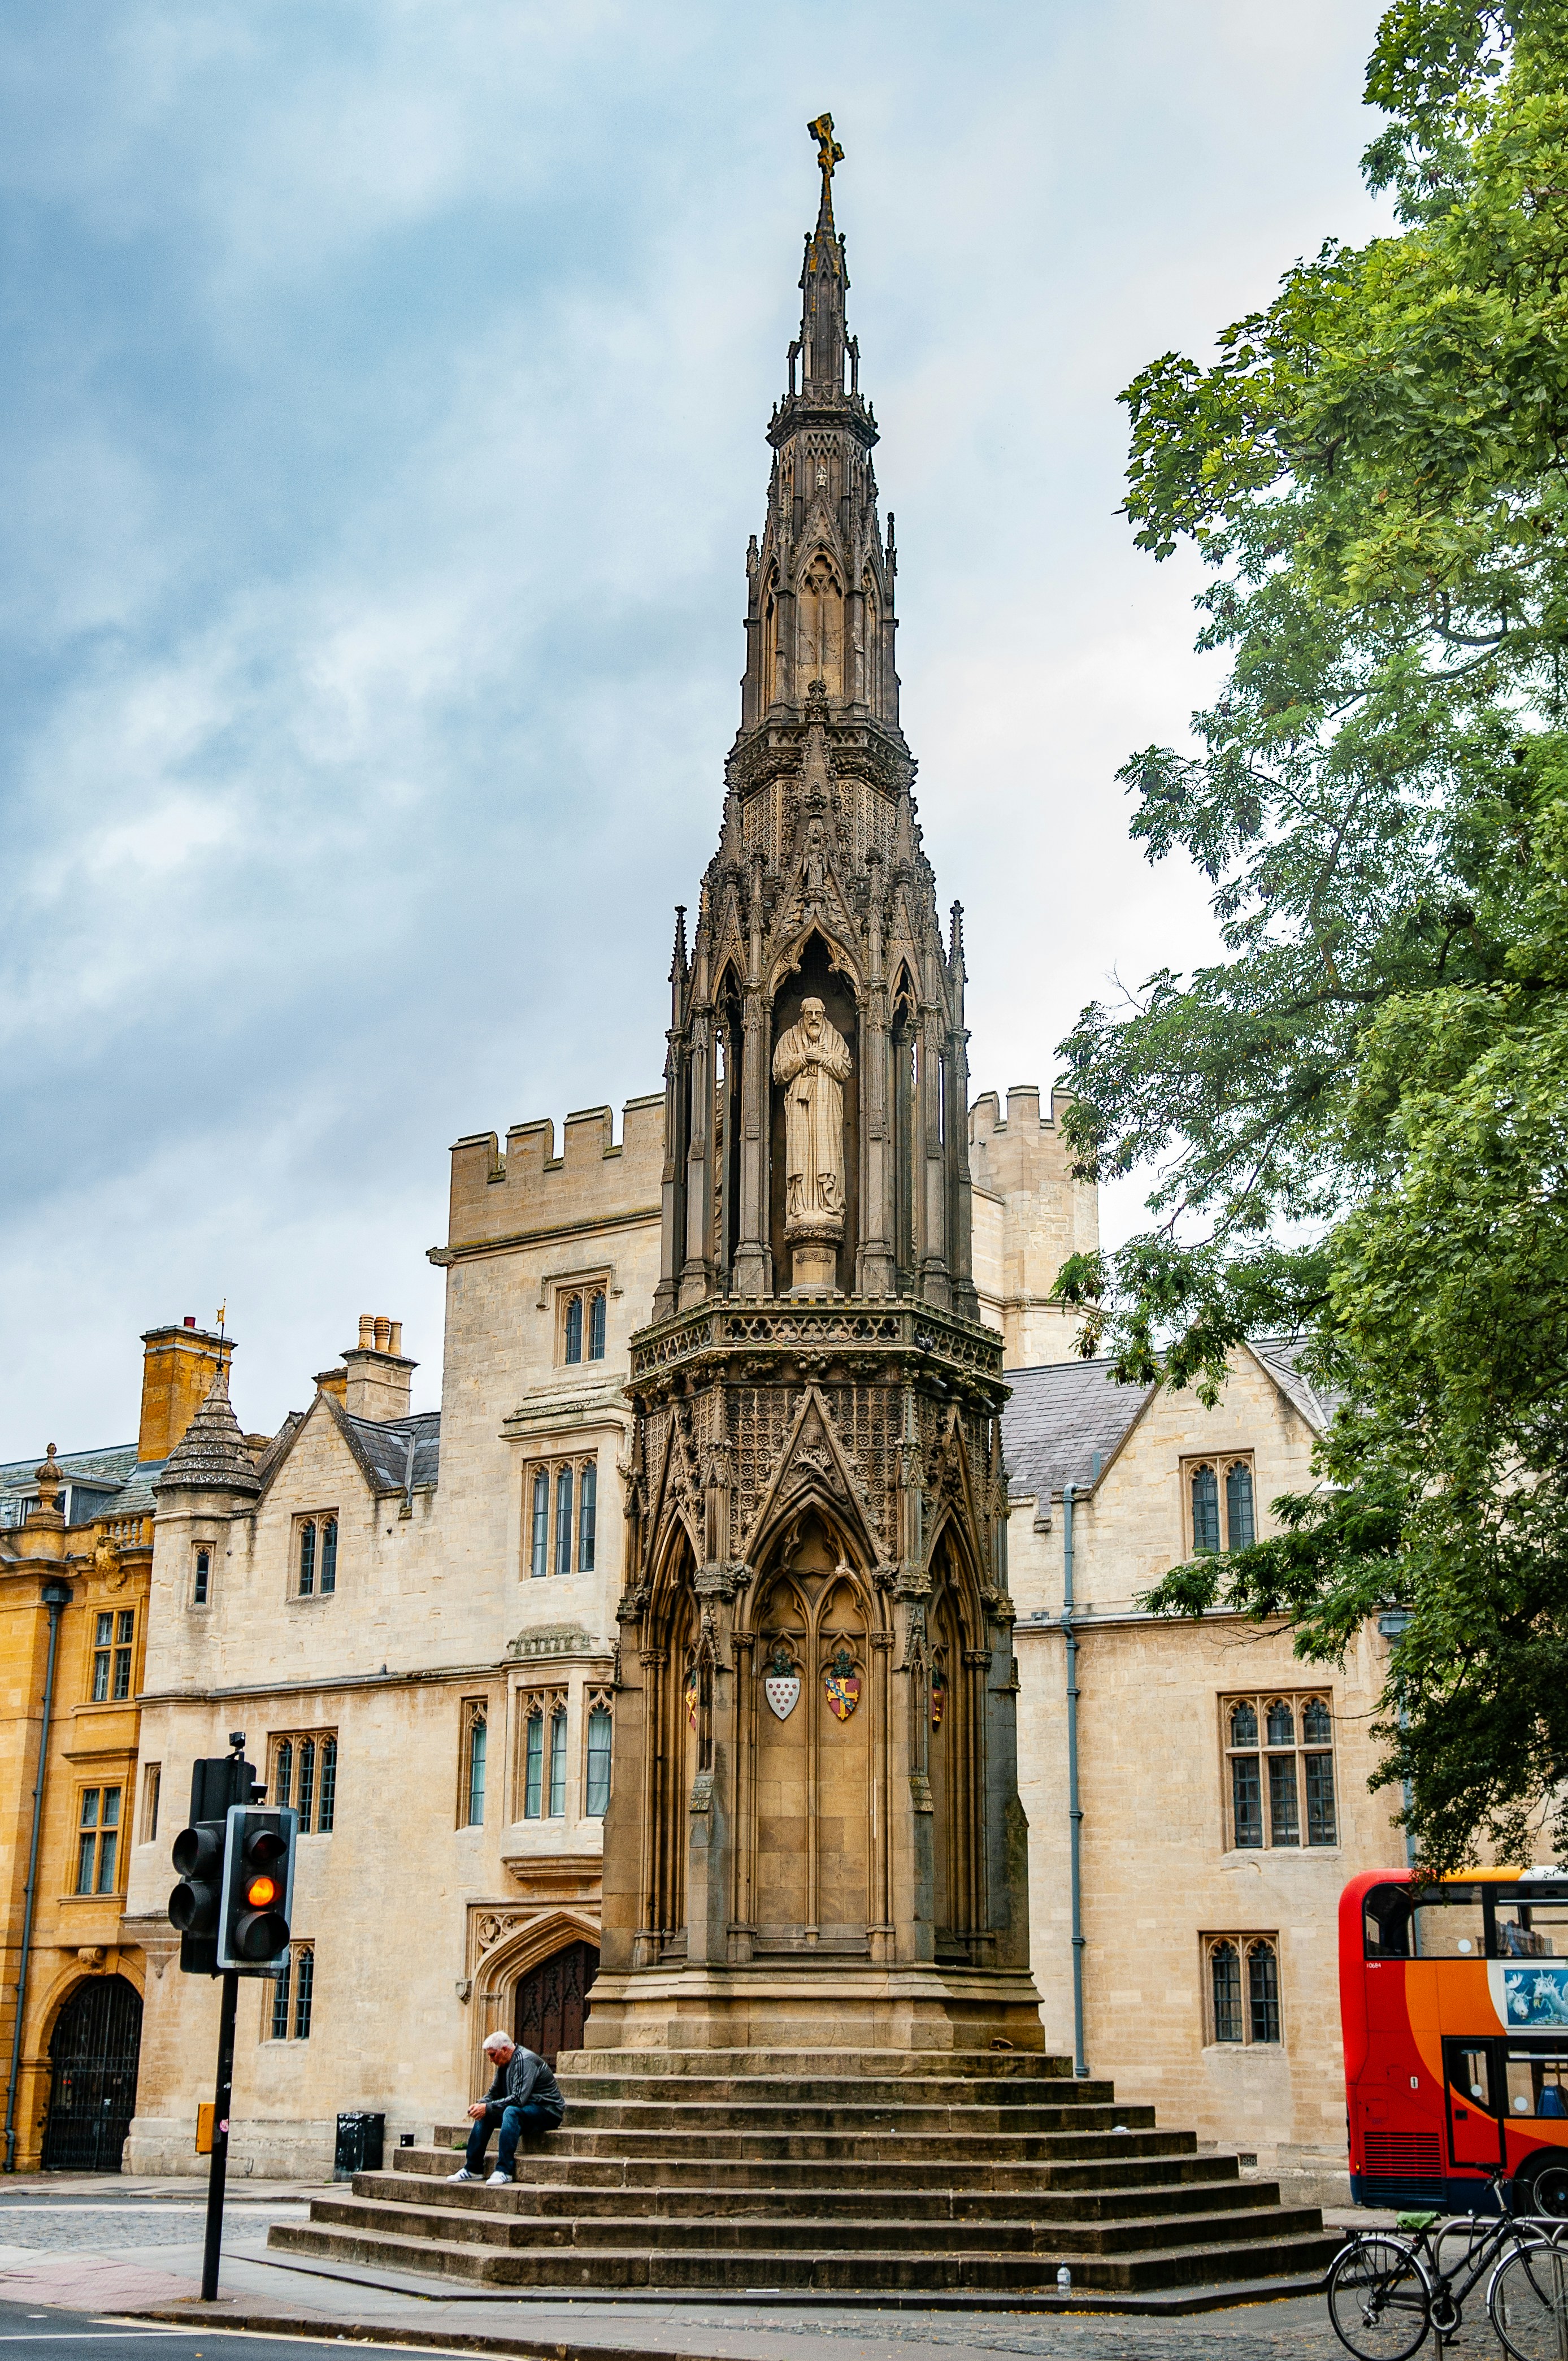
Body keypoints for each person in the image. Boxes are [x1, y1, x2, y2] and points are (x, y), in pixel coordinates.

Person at [448, 2031, 564, 2185]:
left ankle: (504, 2170)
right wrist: (480, 2105)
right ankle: (473, 2168)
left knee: (510, 2112)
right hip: (525, 2110)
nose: (491, 2060)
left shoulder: (525, 2060)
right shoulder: (503, 2064)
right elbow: (493, 2093)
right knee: (486, 2113)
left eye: (493, 2055)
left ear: (504, 2049)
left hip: (548, 2111)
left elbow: (518, 2099)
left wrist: (488, 2107)